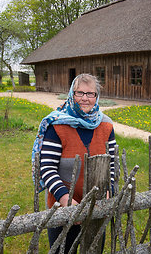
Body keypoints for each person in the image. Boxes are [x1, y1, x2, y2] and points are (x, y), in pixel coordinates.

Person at [31, 73, 116, 253]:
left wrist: (109, 190)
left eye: (90, 93)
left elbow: (112, 164)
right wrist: (67, 202)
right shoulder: (57, 125)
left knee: (93, 250)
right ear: (72, 94)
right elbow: (47, 168)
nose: (85, 98)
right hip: (62, 209)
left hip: (97, 207)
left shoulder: (106, 125)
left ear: (97, 96)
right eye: (80, 93)